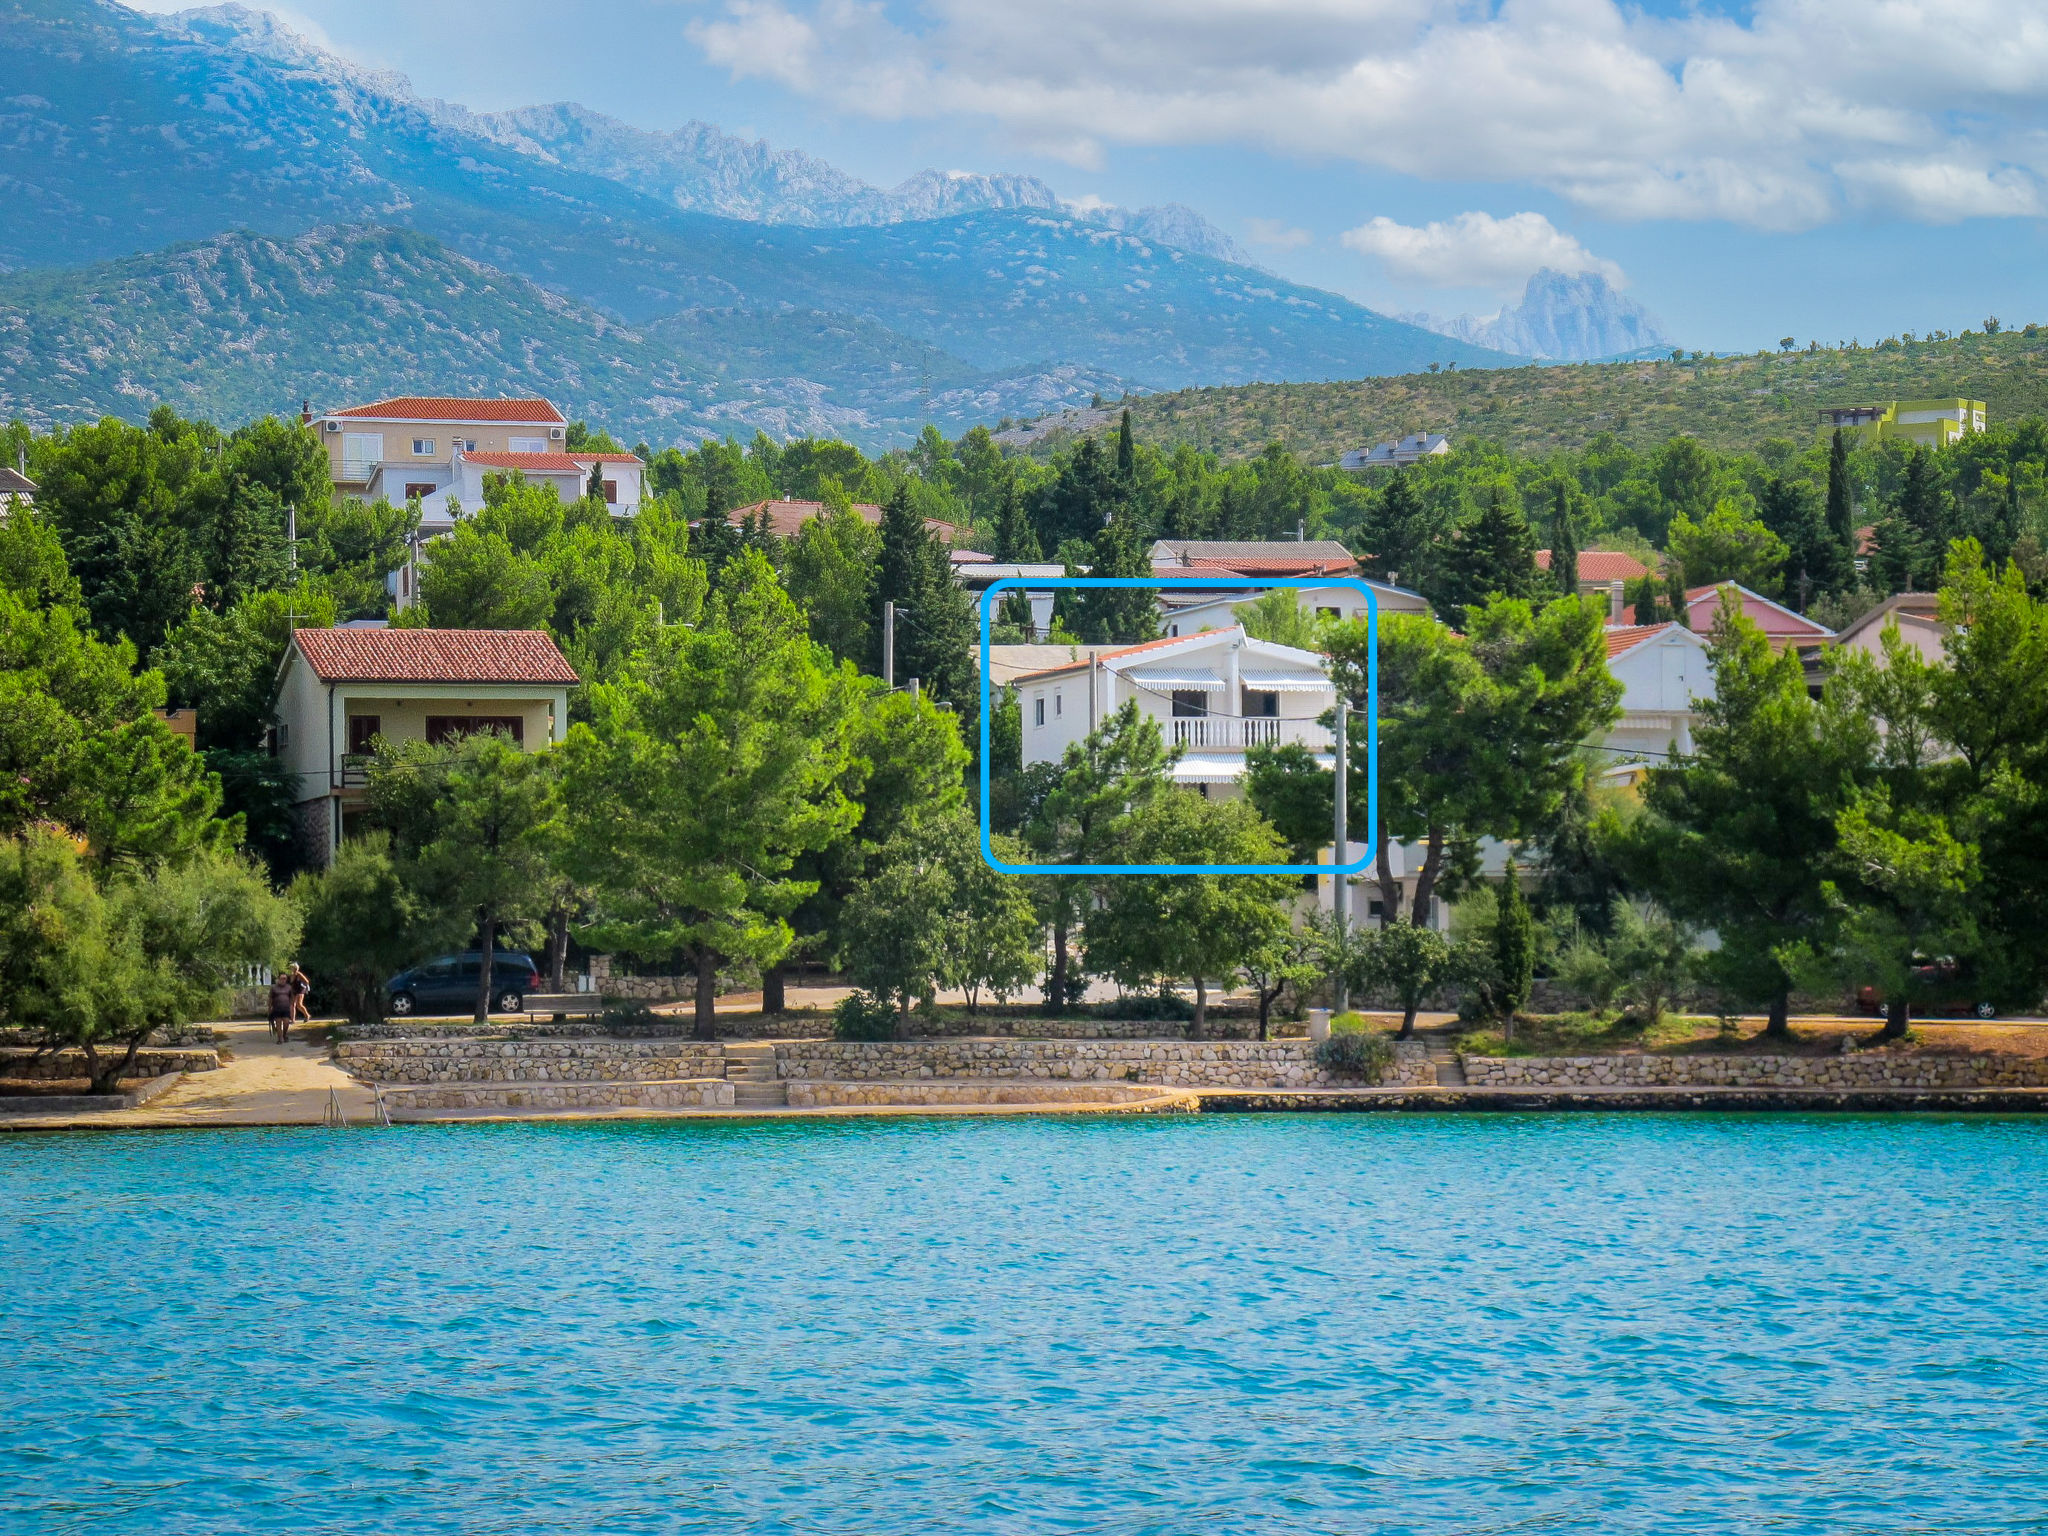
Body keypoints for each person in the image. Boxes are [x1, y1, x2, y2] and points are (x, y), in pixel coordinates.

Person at [285, 963, 312, 1040]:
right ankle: (293, 1020)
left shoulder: (298, 974)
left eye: (293, 968)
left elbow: (306, 981)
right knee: (292, 1005)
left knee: (299, 1005)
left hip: (300, 991)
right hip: (293, 991)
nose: (292, 969)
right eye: (291, 968)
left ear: (296, 968)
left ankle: (307, 1015)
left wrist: (306, 988)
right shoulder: (290, 976)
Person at [267, 972, 295, 1044]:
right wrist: (269, 1008)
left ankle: (284, 1035)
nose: (283, 980)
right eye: (282, 978)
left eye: (285, 978)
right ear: (278, 979)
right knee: (278, 1024)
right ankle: (280, 1039)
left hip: (286, 1008)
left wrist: (292, 1006)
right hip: (276, 1008)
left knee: (286, 1023)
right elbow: (270, 998)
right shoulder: (273, 988)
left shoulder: (289, 987)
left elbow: (292, 997)